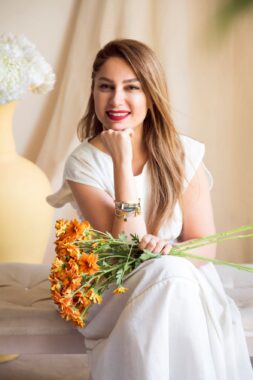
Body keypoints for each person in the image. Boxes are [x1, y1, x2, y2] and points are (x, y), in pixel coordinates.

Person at [47, 39, 253, 380]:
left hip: (183, 277)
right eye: (105, 87)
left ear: (151, 95)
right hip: (117, 290)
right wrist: (122, 161)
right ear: (93, 93)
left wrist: (170, 253)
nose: (116, 99)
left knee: (172, 275)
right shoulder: (83, 163)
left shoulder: (185, 154)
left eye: (132, 87)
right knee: (167, 275)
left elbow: (205, 244)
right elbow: (126, 254)